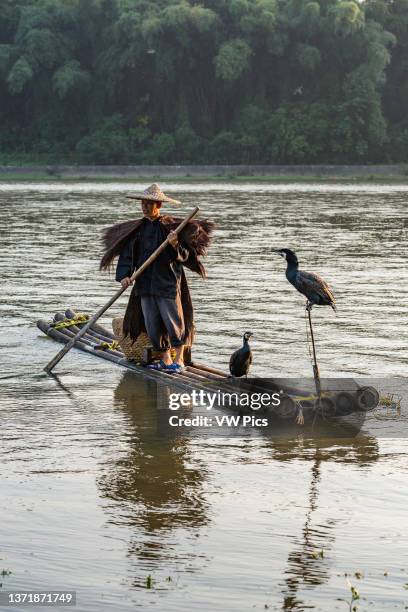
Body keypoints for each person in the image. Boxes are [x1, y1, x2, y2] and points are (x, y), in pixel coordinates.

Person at [100, 184, 214, 373]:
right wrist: (125, 277)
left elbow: (186, 257)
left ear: (158, 205)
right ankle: (165, 359)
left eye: (149, 204)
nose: (145, 207)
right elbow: (128, 256)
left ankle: (179, 360)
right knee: (153, 324)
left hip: (167, 283)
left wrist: (175, 244)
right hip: (145, 284)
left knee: (173, 322)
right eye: (143, 204)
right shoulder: (137, 230)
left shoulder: (171, 229)